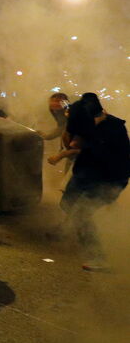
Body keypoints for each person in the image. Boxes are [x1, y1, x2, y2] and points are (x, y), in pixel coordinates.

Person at [49, 93, 129, 271]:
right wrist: (69, 130)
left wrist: (63, 154)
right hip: (85, 174)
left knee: (81, 213)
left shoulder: (113, 131)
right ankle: (70, 231)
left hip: (108, 179)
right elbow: (72, 144)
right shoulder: (86, 119)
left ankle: (98, 257)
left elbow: (77, 148)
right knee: (67, 204)